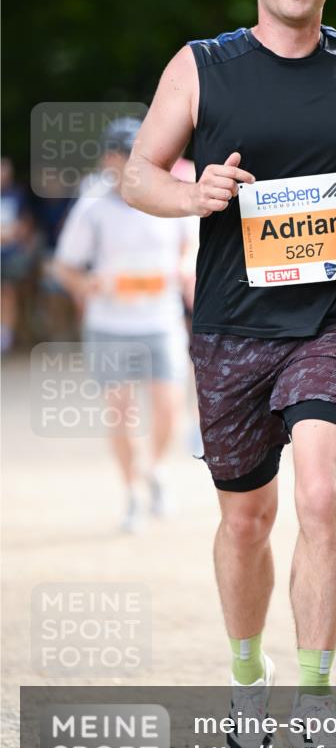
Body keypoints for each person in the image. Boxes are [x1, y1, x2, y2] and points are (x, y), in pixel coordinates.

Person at [121, 0, 336, 748]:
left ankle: (317, 705)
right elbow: (139, 174)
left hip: (330, 317)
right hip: (230, 324)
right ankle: (248, 690)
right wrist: (194, 193)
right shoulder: (203, 66)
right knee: (246, 518)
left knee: (320, 496)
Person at [54, 118, 198, 532]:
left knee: (169, 411)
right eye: (129, 155)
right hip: (110, 324)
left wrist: (185, 266)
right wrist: (87, 283)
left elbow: (190, 243)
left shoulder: (169, 195)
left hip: (161, 319)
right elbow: (64, 267)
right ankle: (132, 492)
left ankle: (151, 470)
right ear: (110, 159)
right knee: (121, 413)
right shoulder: (93, 207)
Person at [1, 157, 38, 353]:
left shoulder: (18, 194)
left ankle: (5, 337)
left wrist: (16, 235)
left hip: (11, 253)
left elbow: (26, 223)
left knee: (8, 291)